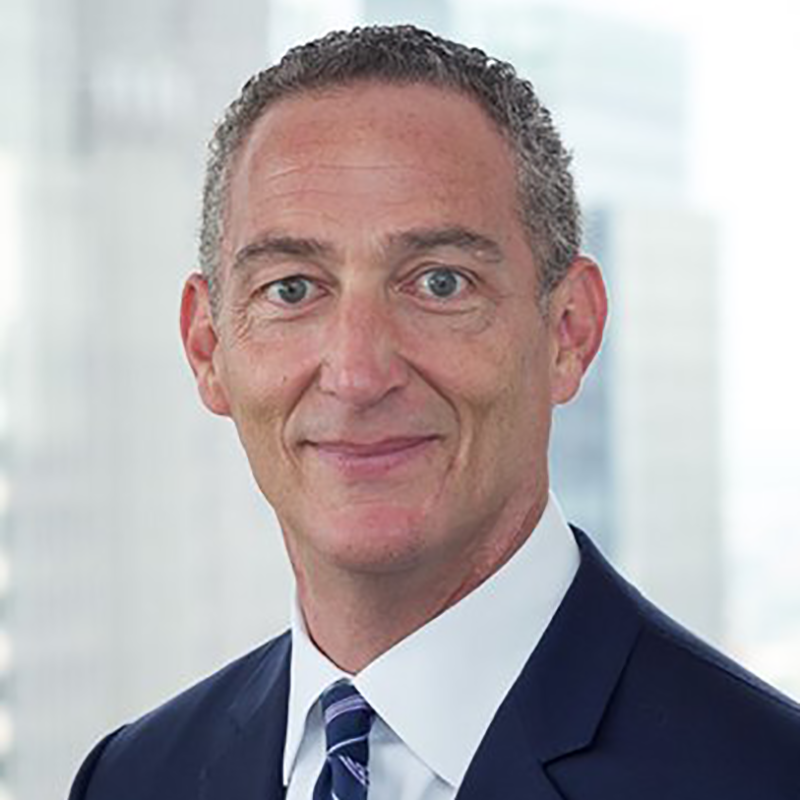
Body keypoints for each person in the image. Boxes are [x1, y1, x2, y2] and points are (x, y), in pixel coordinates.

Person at [69, 25, 800, 800]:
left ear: (569, 332)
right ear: (208, 348)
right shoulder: (133, 777)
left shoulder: (765, 777)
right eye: (292, 289)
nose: (357, 375)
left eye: (440, 283)